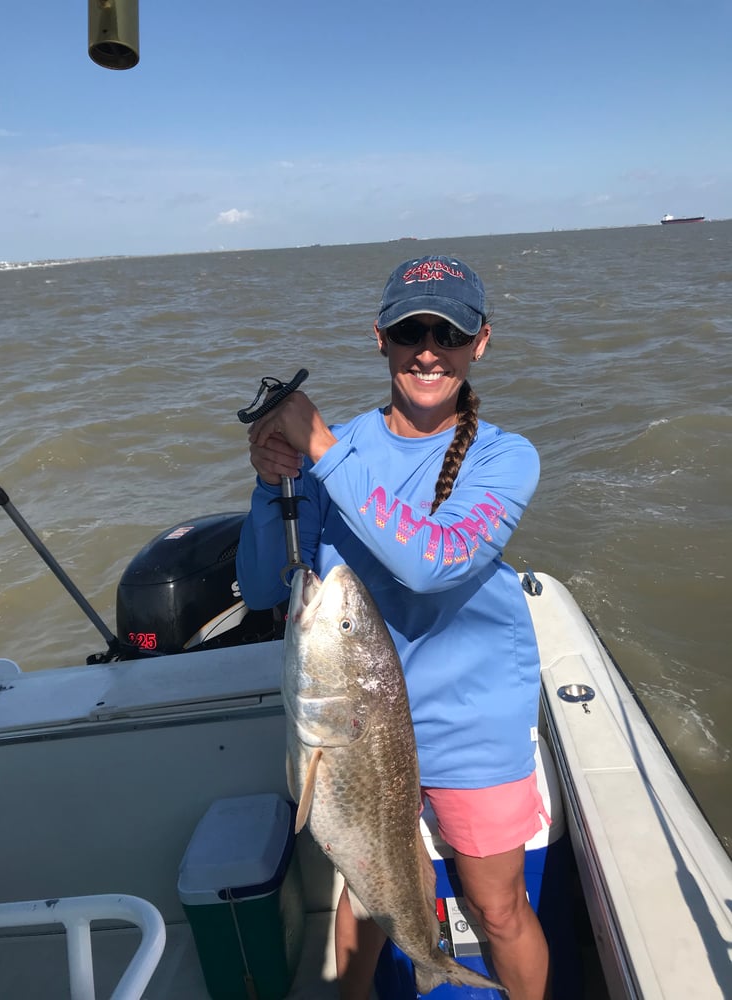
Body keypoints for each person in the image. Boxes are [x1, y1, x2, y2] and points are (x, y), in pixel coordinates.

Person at [236, 254, 551, 1000]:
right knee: (365, 885)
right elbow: (258, 584)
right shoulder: (334, 453)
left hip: (467, 714)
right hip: (352, 722)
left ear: (482, 343)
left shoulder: (506, 457)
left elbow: (432, 563)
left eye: (451, 331)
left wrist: (318, 449)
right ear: (381, 339)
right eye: (413, 331)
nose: (430, 350)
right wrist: (267, 483)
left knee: (498, 905)